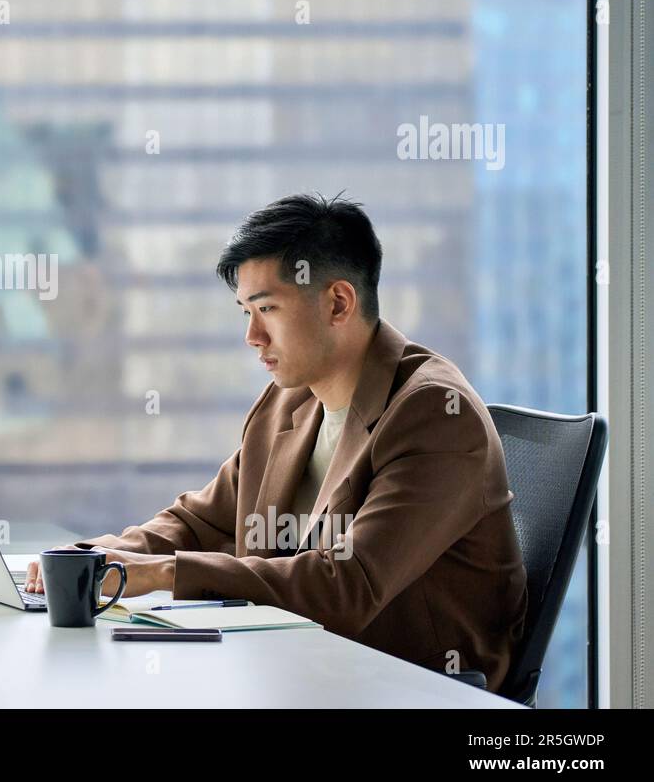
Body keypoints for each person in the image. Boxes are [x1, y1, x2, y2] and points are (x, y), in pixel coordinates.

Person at [26, 192, 529, 694]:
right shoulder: (289, 402)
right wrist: (92, 557)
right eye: (246, 310)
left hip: (407, 686)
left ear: (338, 302)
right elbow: (201, 521)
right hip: (295, 672)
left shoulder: (434, 414)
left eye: (267, 308)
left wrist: (160, 573)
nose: (252, 335)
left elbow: (348, 587)